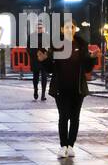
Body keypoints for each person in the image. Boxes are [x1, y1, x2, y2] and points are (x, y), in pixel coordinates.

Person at [49, 20, 94, 157]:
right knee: (63, 117)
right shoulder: (56, 45)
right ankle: (63, 146)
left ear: (75, 30)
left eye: (72, 27)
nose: (69, 29)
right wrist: (44, 60)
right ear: (62, 30)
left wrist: (91, 58)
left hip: (77, 88)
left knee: (75, 118)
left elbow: (87, 68)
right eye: (66, 27)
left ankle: (71, 145)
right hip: (61, 88)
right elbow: (50, 68)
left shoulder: (81, 44)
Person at [27, 20, 52, 101]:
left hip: (44, 59)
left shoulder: (47, 36)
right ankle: (35, 90)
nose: (39, 29)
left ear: (43, 28)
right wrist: (35, 55)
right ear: (35, 28)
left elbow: (51, 48)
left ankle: (43, 94)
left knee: (44, 77)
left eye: (41, 27)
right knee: (35, 77)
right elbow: (28, 48)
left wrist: (46, 55)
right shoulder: (31, 36)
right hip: (35, 59)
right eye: (38, 28)